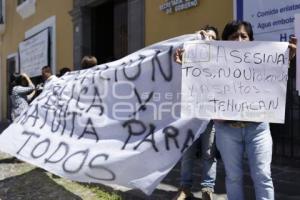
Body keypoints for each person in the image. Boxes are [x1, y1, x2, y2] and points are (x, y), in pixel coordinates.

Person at [214, 20, 297, 200]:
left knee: (263, 176)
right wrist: (185, 63)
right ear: (225, 40)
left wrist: (287, 58)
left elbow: (275, 77)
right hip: (227, 131)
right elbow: (198, 82)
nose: (239, 40)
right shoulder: (213, 64)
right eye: (234, 36)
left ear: (251, 39)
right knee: (233, 177)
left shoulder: (261, 60)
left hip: (258, 129)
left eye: (244, 36)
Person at [173, 25, 219, 200]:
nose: (210, 39)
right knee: (188, 152)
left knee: (209, 153)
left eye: (214, 37)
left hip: (210, 115)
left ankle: (207, 189)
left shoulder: (221, 59)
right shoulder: (191, 59)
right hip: (191, 114)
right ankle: (185, 187)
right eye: (207, 36)